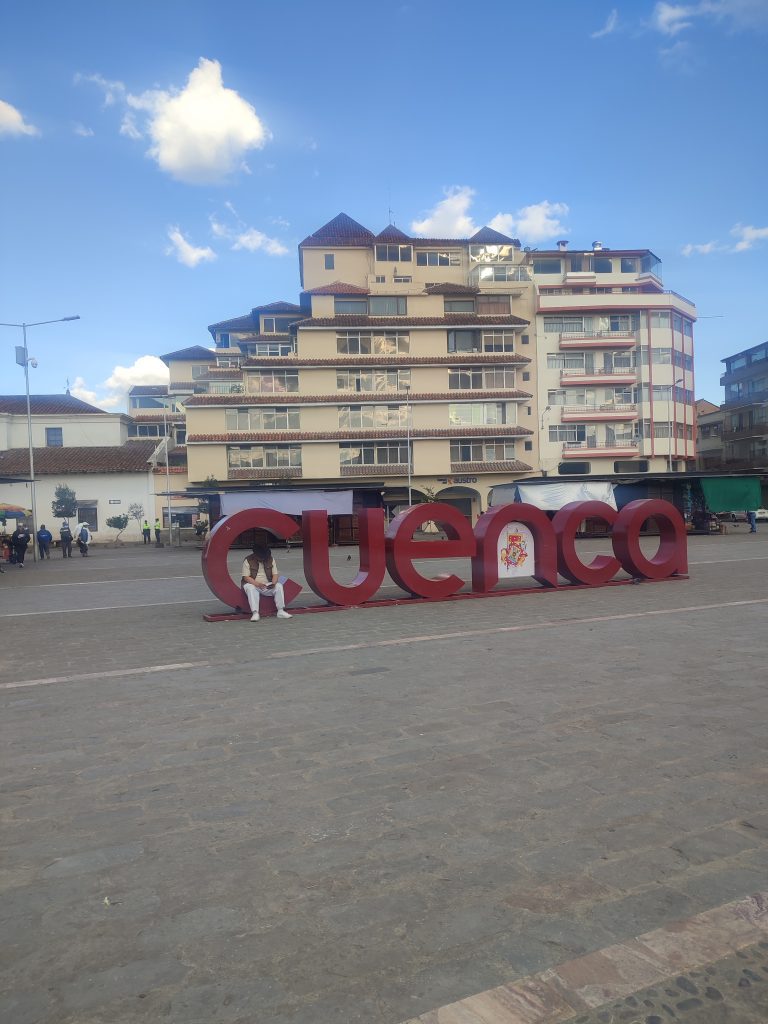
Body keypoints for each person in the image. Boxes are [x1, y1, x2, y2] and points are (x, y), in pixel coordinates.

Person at [241, 544, 292, 621]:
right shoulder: (248, 560)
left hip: (267, 584)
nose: (262, 558)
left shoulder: (270, 559)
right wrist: (258, 584)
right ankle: (255, 613)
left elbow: (275, 574)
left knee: (279, 586)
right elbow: (246, 577)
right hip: (252, 584)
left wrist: (273, 583)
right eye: (260, 557)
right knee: (251, 588)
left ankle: (280, 611)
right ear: (255, 555)